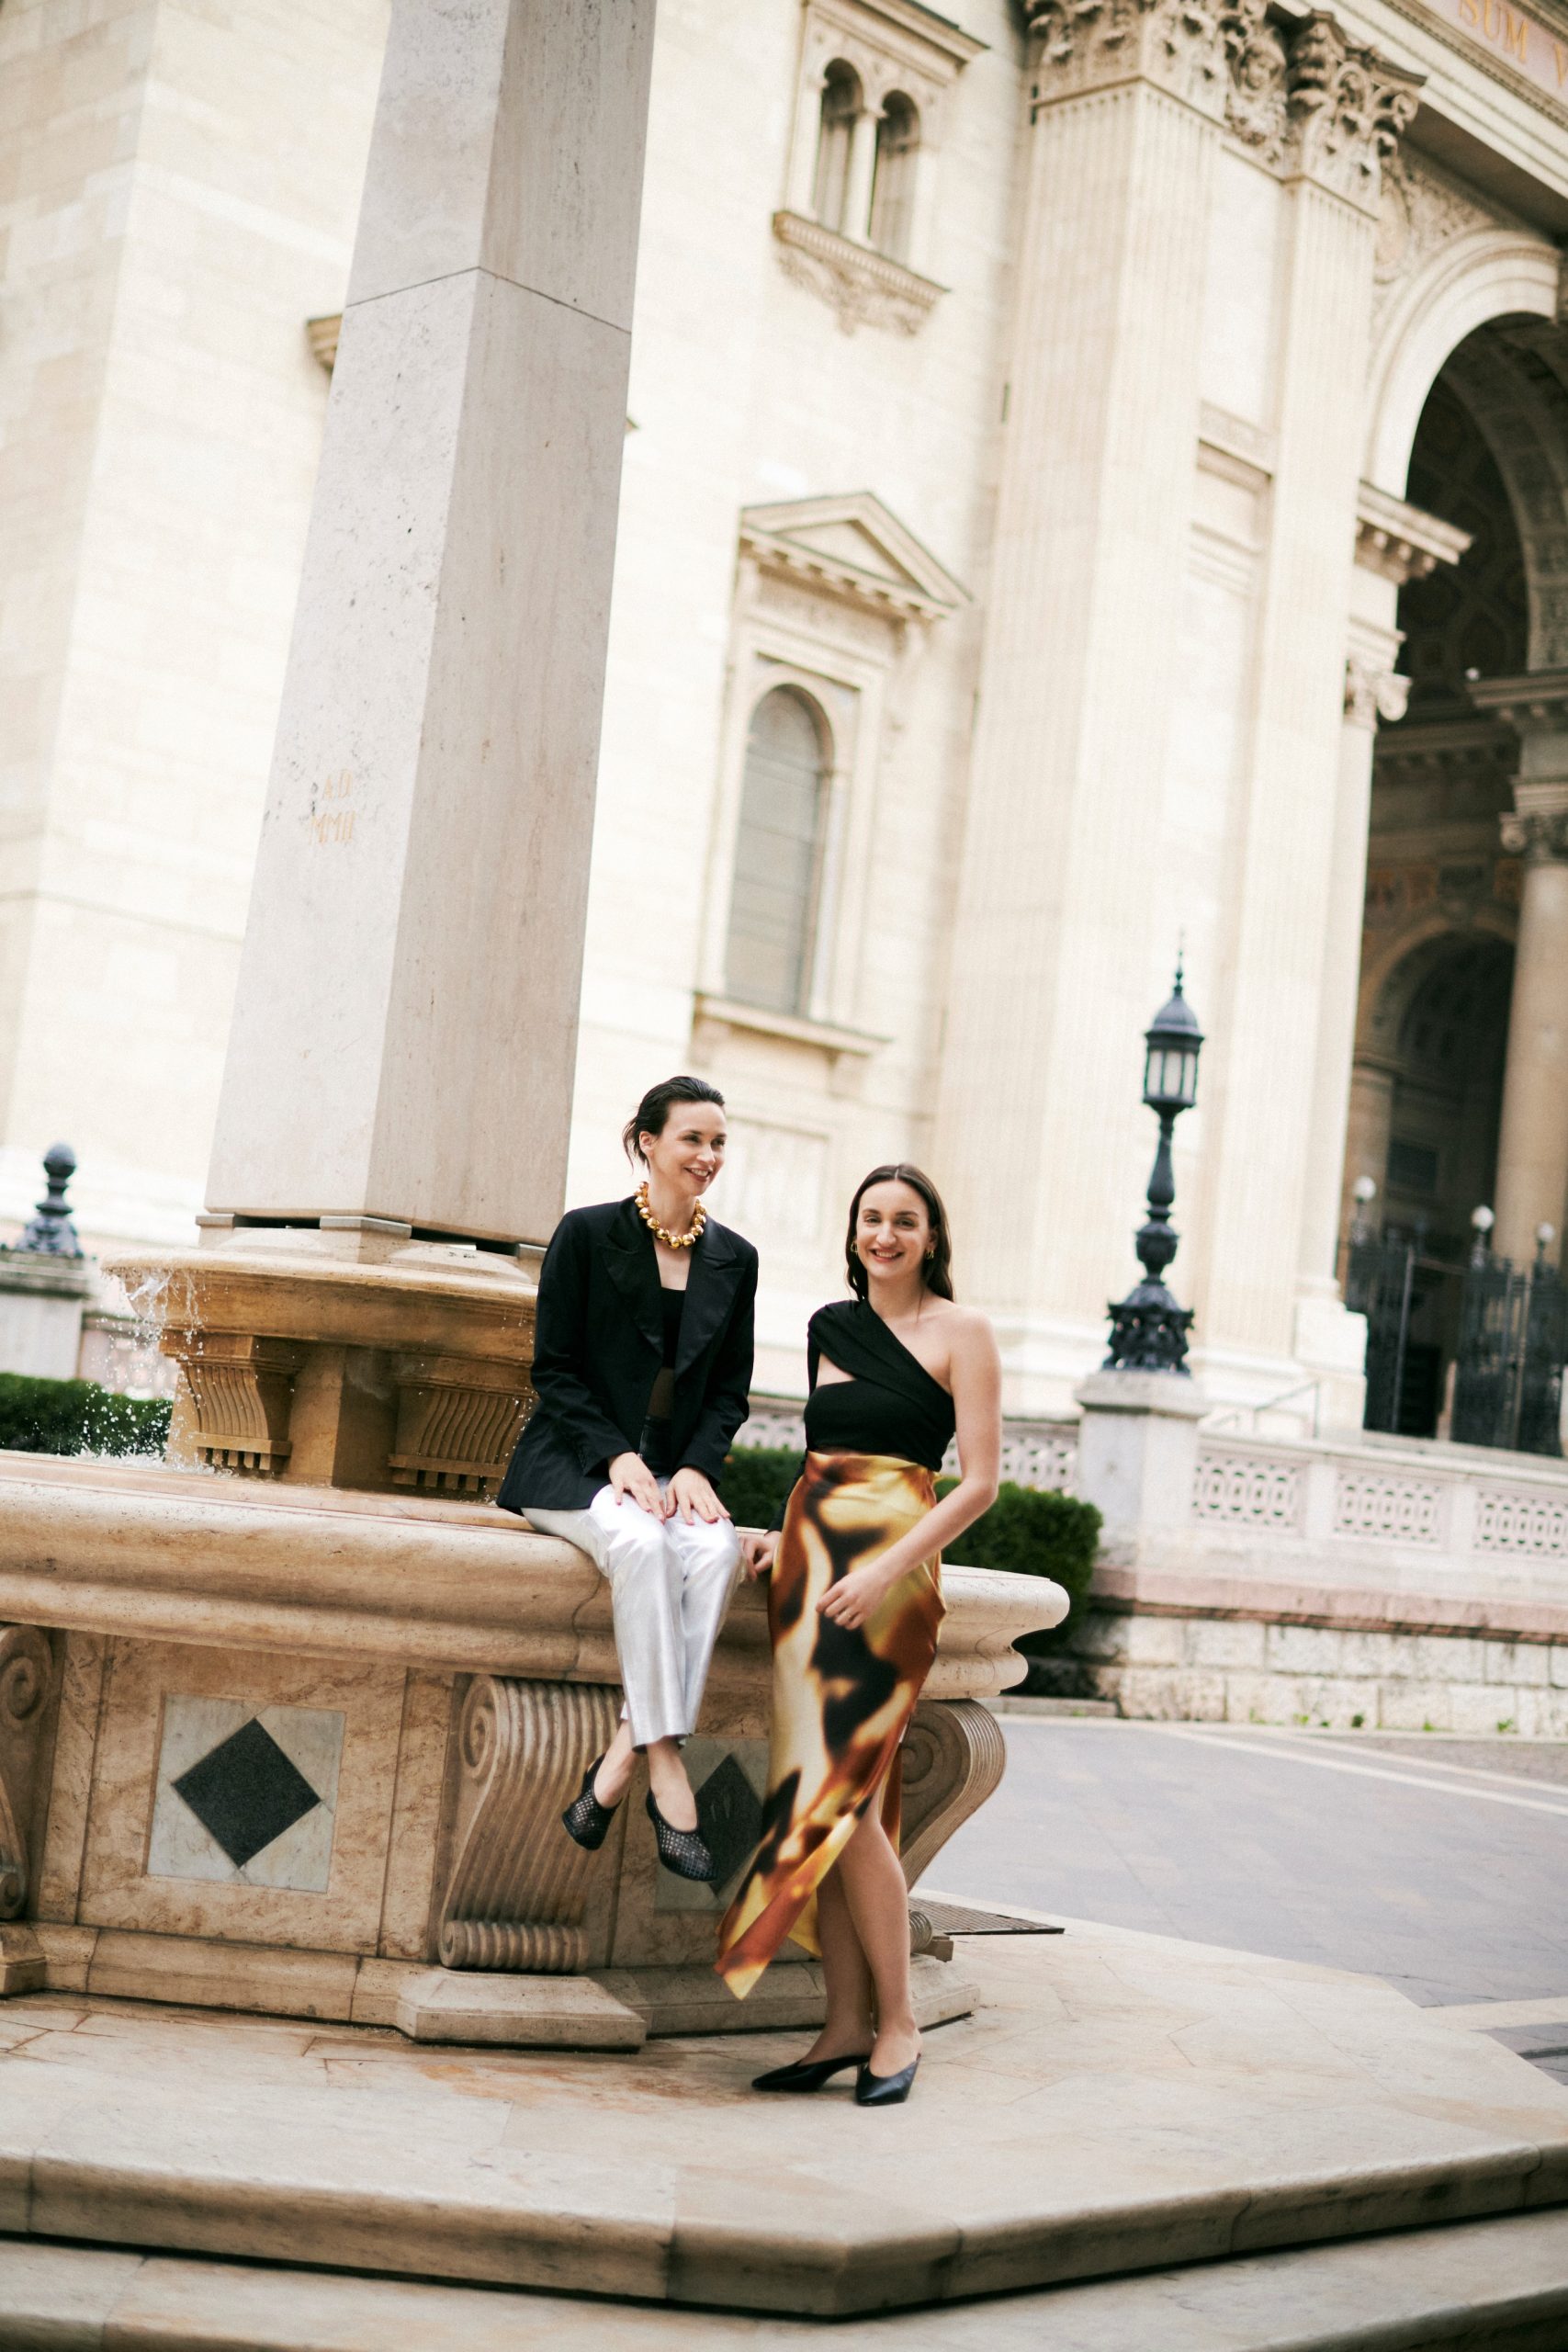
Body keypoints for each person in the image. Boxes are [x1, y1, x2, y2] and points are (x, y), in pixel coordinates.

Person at [716, 1163, 1000, 2107]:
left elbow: (979, 1483)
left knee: (852, 1800)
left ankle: (899, 2024)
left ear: (931, 1237)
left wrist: (882, 1571)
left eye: (904, 1221)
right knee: (827, 1806)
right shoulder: (828, 1327)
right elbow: (819, 1462)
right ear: (853, 1234)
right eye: (871, 1219)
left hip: (890, 1580)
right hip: (809, 1571)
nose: (884, 1234)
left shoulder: (963, 1332)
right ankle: (842, 2026)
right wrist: (778, 1532)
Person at [497, 1076, 756, 1883]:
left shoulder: (735, 1258)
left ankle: (616, 1764)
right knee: (642, 1545)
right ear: (648, 1142)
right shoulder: (585, 1234)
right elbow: (555, 1369)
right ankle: (665, 1762)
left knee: (714, 1550)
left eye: (718, 1142)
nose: (707, 1156)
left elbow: (728, 1393)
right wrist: (617, 1457)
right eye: (692, 1139)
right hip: (575, 1461)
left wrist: (697, 1468)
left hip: (673, 1469)